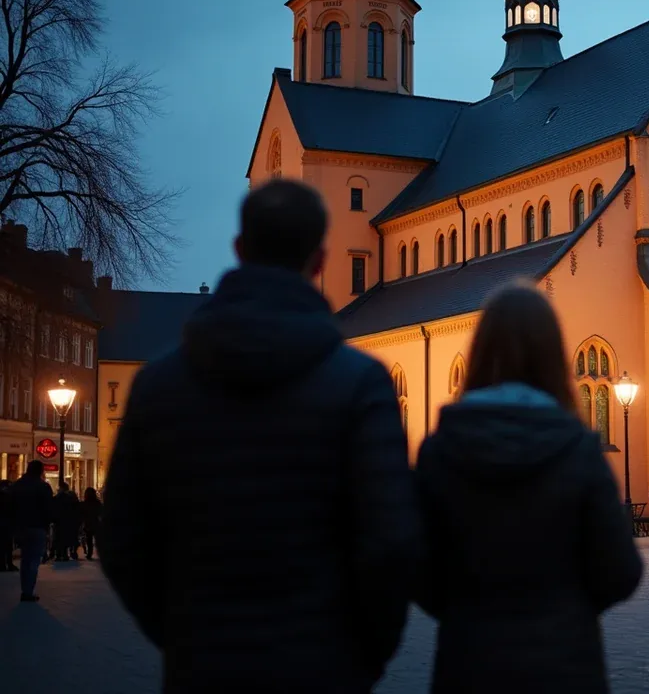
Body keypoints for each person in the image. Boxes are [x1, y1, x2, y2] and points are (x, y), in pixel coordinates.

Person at [101, 179, 424, 693]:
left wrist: (185, 636)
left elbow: (123, 540)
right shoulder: (362, 384)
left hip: (201, 666)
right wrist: (358, 656)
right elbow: (391, 545)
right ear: (320, 260)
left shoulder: (158, 386)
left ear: (239, 249)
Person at [414, 284, 643, 693]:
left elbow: (417, 568)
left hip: (469, 663)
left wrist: (465, 610)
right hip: (566, 664)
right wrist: (569, 610)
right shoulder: (580, 451)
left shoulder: (441, 452)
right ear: (553, 357)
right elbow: (621, 571)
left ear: (481, 353)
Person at [8, 460, 53, 601]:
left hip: (21, 526)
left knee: (25, 558)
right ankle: (28, 590)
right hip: (37, 526)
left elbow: (10, 506)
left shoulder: (17, 485)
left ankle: (25, 589)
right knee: (33, 560)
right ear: (40, 471)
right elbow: (48, 509)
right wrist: (48, 525)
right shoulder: (43, 487)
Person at [52, 481, 81, 562]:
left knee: (58, 537)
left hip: (59, 520)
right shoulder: (71, 498)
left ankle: (58, 554)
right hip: (68, 520)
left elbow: (53, 508)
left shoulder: (57, 497)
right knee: (65, 537)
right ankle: (65, 554)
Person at [81, 487, 103, 560]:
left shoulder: (85, 503)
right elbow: (101, 512)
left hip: (88, 524)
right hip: (96, 523)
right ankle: (100, 553)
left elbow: (83, 514)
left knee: (89, 540)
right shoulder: (97, 503)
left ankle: (89, 554)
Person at [0, 480, 15, 572]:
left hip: (4, 523)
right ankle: (8, 563)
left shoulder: (7, 496)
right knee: (8, 545)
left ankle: (3, 564)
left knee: (3, 545)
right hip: (7, 524)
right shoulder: (9, 497)